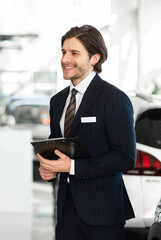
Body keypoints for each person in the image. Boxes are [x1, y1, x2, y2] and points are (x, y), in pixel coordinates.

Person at [38, 25, 136, 240]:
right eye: (64, 52)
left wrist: (72, 167)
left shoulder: (113, 99)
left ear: (94, 58)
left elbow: (126, 157)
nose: (65, 59)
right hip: (66, 212)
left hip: (103, 212)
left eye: (74, 53)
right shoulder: (58, 101)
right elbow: (58, 144)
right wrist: (49, 168)